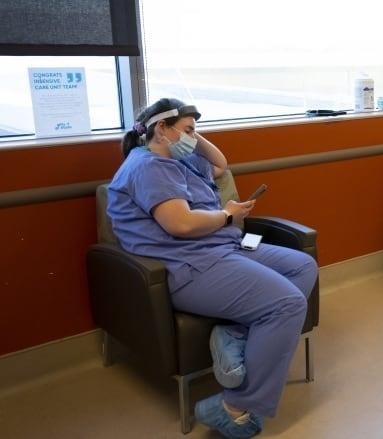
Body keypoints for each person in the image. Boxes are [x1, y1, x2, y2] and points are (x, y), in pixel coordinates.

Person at [107, 98, 318, 438]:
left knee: (302, 266)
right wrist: (227, 215)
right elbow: (181, 224)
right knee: (288, 303)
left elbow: (220, 165)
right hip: (188, 266)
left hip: (221, 247)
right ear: (161, 128)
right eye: (188, 131)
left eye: (195, 131)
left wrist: (190, 131)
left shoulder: (182, 160)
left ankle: (234, 334)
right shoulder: (147, 167)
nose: (193, 138)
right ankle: (233, 406)